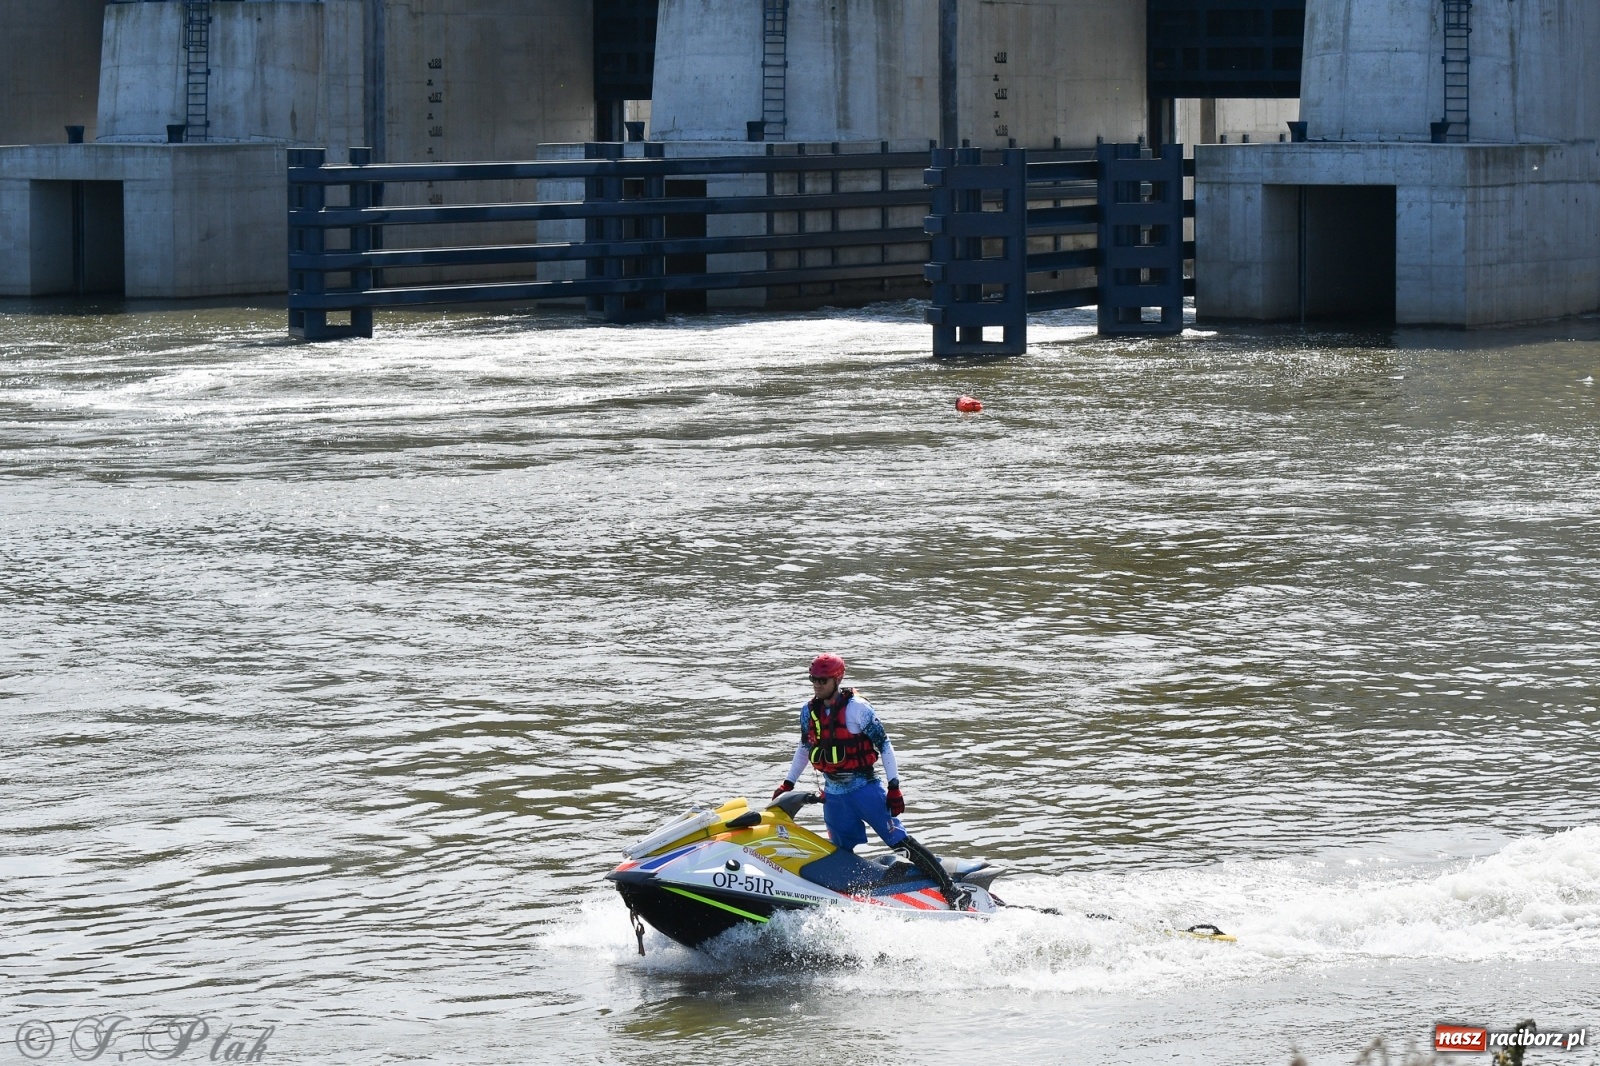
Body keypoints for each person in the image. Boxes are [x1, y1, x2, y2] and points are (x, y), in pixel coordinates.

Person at [772, 653, 968, 908]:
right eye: (813, 679)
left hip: (864, 789)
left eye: (823, 680)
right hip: (835, 795)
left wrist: (894, 787)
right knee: (840, 853)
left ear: (837, 679)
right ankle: (847, 901)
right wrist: (788, 783)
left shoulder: (858, 709)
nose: (817, 684)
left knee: (900, 843)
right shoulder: (808, 712)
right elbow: (803, 748)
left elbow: (885, 746)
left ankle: (951, 890)